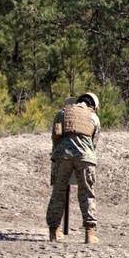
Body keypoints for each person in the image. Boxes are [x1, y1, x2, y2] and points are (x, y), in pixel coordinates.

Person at [45, 92, 101, 243]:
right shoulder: (94, 118)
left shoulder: (62, 113)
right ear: (93, 105)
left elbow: (55, 136)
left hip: (62, 156)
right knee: (87, 194)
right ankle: (89, 233)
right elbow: (93, 143)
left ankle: (54, 231)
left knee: (58, 193)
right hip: (85, 158)